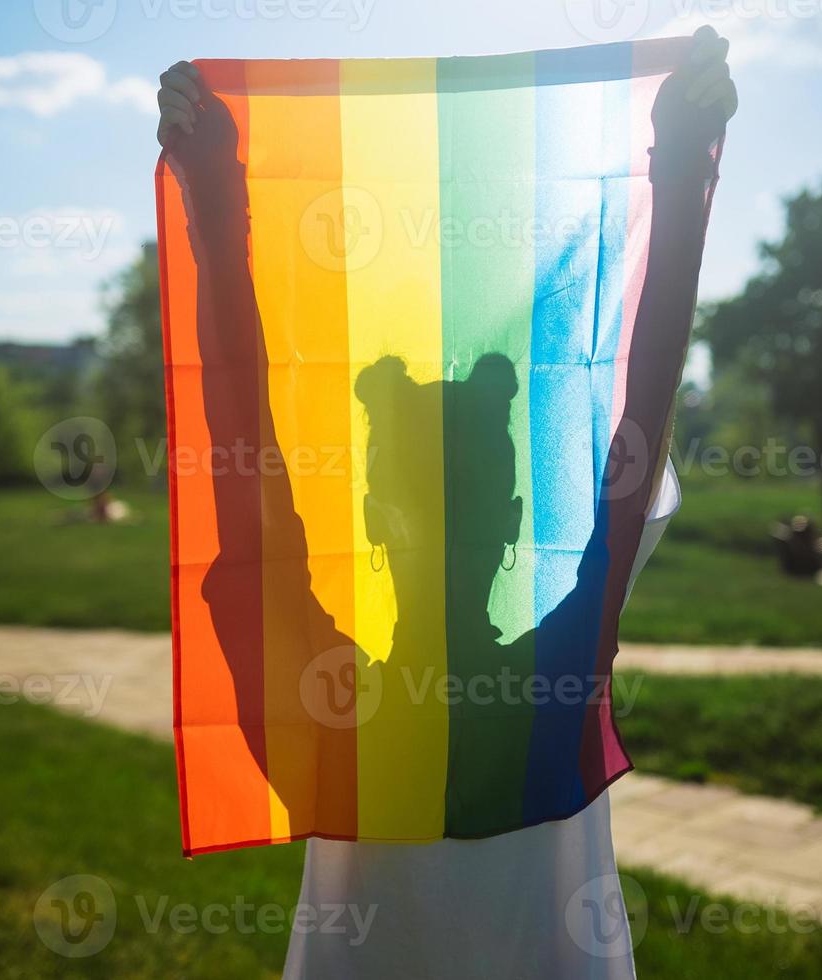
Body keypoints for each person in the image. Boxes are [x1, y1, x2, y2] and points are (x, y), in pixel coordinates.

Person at [157, 27, 737, 978]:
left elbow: (245, 464)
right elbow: (639, 409)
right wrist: (677, 173)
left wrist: (216, 210)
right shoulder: (567, 652)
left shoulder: (323, 688)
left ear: (373, 516)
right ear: (519, 518)